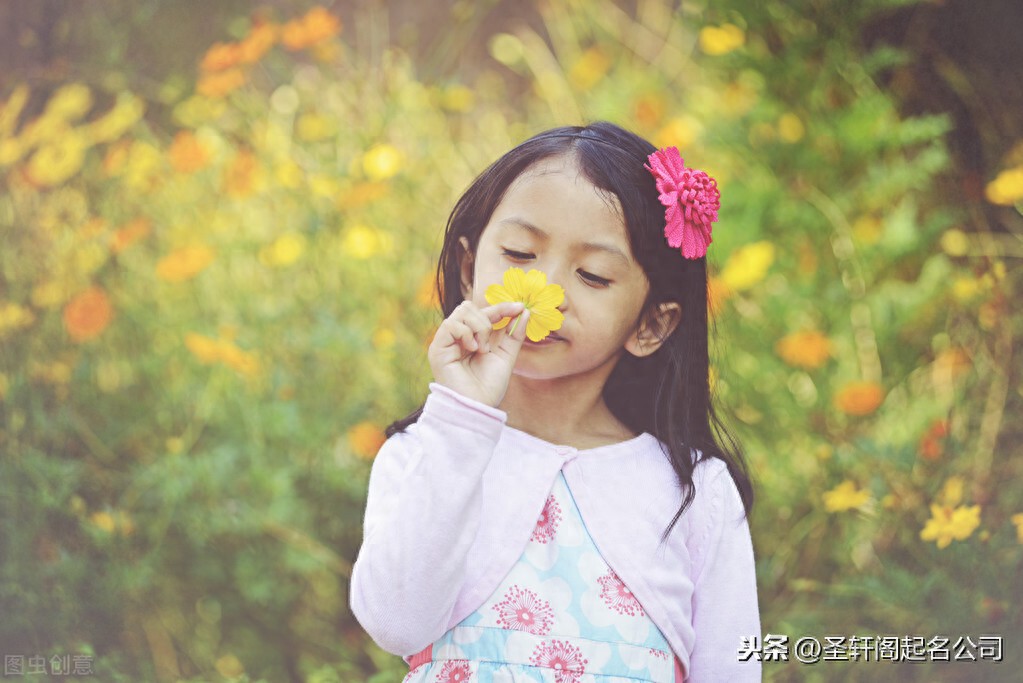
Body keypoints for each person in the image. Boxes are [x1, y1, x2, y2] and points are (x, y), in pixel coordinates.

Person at [350, 121, 760, 682]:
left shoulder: (696, 491)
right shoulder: (424, 453)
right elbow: (395, 623)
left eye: (592, 275)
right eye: (519, 253)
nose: (545, 290)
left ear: (651, 324)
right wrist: (462, 420)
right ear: (470, 271)